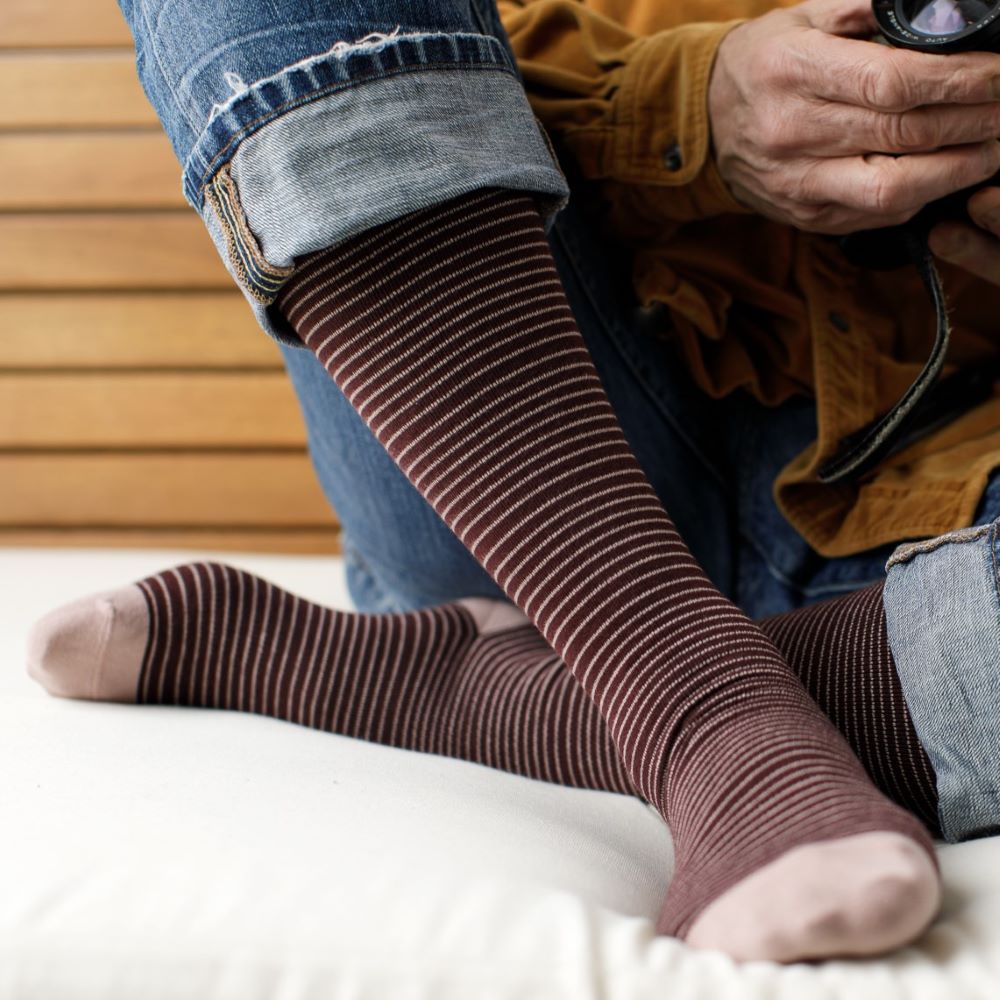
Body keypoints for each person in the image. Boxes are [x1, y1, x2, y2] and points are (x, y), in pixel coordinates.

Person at [26, 0, 1000, 963]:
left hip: (959, 508)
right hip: (521, 457)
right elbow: (416, 41)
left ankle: (480, 686)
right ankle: (697, 699)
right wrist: (695, 108)